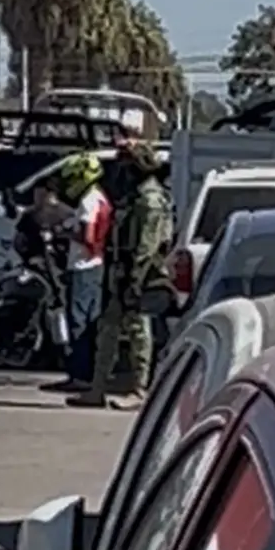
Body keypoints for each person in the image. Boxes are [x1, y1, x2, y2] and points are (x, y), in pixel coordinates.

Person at [70, 140, 173, 411]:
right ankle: (97, 389)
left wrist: (135, 280)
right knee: (108, 330)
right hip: (121, 272)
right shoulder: (134, 195)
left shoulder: (150, 200)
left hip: (138, 275)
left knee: (138, 332)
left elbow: (147, 246)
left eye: (125, 162)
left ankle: (139, 389)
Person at [46, 152, 113, 394]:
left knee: (79, 322)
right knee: (87, 321)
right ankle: (84, 373)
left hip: (84, 266)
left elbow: (87, 236)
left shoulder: (89, 201)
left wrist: (61, 233)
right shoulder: (97, 197)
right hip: (93, 265)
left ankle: (80, 375)